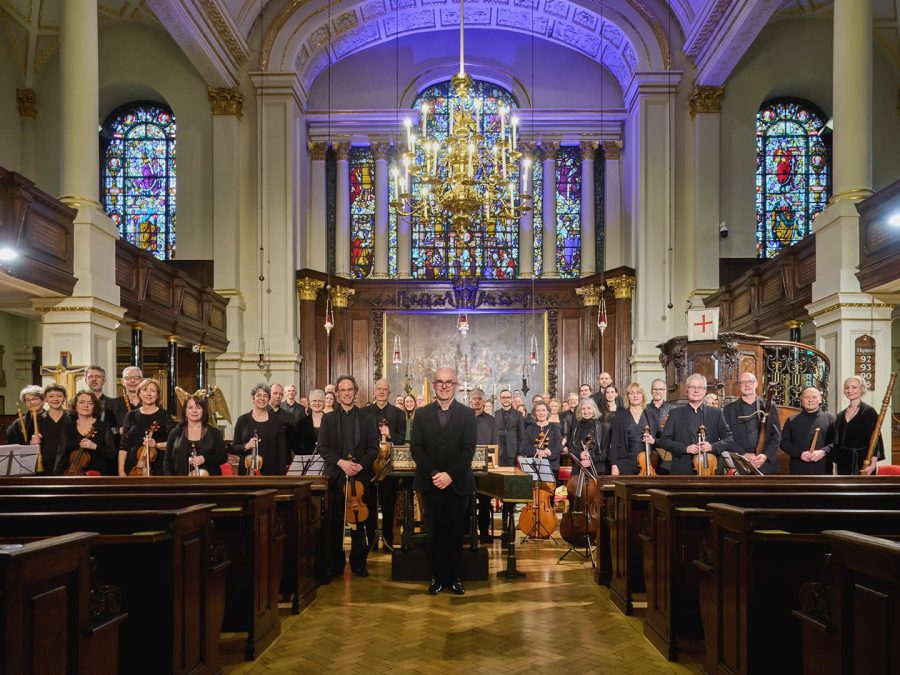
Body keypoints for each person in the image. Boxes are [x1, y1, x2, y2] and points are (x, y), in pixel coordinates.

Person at [411, 367, 476, 595]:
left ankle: (454, 576)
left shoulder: (468, 414)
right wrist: (434, 474)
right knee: (435, 533)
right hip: (430, 484)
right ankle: (437, 577)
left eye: (449, 382)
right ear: (434, 385)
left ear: (456, 385)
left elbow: (468, 450)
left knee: (456, 533)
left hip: (458, 484)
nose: (444, 386)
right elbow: (416, 448)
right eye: (440, 382)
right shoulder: (422, 413)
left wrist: (450, 475)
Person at [317, 375, 379, 578]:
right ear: (337, 393)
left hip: (360, 477)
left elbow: (373, 448)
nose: (346, 393)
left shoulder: (367, 417)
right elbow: (323, 448)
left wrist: (359, 466)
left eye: (349, 389)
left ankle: (359, 563)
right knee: (335, 523)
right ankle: (335, 564)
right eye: (342, 390)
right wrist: (342, 463)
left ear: (355, 392)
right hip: (336, 476)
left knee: (360, 523)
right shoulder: (328, 418)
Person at [656, 373, 734, 475]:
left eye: (700, 387)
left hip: (711, 468)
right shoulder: (675, 414)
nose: (696, 390)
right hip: (683, 470)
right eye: (692, 387)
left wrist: (712, 447)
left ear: (705, 391)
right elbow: (664, 441)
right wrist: (685, 448)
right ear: (686, 391)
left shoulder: (716, 413)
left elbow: (729, 439)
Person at [363, 378, 407, 550]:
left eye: (385, 389)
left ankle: (388, 540)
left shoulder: (398, 413)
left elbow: (402, 439)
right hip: (369, 465)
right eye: (378, 389)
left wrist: (390, 435)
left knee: (388, 505)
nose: (381, 392)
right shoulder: (364, 412)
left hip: (389, 466)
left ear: (389, 392)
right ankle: (371, 542)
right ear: (374, 391)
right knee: (370, 505)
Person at [722, 372, 781, 475]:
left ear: (756, 384)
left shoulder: (769, 406)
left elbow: (776, 435)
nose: (747, 384)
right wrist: (744, 455)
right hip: (740, 465)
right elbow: (727, 437)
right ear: (739, 386)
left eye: (750, 381)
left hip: (765, 464)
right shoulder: (728, 409)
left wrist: (765, 455)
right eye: (743, 382)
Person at [119, 378, 175, 476]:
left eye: (153, 391)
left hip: (157, 467)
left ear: (157, 395)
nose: (148, 394)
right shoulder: (131, 415)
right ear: (139, 393)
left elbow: (173, 443)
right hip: (133, 467)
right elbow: (124, 445)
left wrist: (156, 445)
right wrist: (121, 470)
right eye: (145, 390)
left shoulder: (165, 415)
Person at [232, 384, 289, 476]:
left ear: (269, 399)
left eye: (265, 396)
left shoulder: (277, 421)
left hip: (272, 471)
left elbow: (282, 451)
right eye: (258, 395)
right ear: (253, 398)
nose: (262, 399)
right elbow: (234, 447)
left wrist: (281, 475)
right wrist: (246, 446)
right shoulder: (242, 420)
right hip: (248, 470)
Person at [164, 394, 228, 476]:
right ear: (185, 412)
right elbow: (167, 461)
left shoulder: (214, 433)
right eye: (190, 408)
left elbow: (223, 457)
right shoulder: (175, 433)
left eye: (198, 408)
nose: (194, 411)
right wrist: (170, 482)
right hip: (179, 483)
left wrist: (204, 459)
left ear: (203, 411)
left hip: (209, 483)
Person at [834, 376, 882, 475]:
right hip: (843, 463)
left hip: (864, 462)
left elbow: (876, 442)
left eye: (854, 387)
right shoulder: (840, 415)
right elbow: (837, 443)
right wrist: (835, 468)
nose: (850, 390)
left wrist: (872, 466)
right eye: (847, 387)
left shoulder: (869, 412)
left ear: (862, 389)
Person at [781, 387, 835, 475]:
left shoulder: (830, 419)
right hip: (798, 470)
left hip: (823, 470)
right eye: (807, 397)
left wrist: (823, 451)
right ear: (802, 401)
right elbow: (784, 443)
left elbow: (835, 442)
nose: (810, 400)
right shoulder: (792, 420)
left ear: (820, 400)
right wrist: (800, 454)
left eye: (814, 397)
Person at [61, 389, 116, 476]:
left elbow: (112, 453)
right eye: (82, 402)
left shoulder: (103, 427)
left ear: (94, 407)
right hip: (72, 475)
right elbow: (62, 456)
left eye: (90, 403)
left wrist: (95, 446)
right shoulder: (68, 428)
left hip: (98, 476)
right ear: (75, 405)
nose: (86, 405)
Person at [471, 388, 499, 544]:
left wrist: (493, 464)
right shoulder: (464, 418)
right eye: (474, 398)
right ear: (470, 400)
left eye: (479, 398)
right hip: (466, 468)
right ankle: (468, 531)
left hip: (485, 467)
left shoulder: (491, 420)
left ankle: (484, 531)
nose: (476, 401)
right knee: (467, 501)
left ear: (483, 401)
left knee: (484, 501)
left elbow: (495, 443)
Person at [609, 383, 657, 476]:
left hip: (648, 461)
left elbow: (660, 438)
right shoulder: (618, 417)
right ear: (627, 396)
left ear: (643, 395)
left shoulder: (651, 415)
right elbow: (613, 443)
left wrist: (653, 440)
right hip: (625, 462)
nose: (635, 396)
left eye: (638, 392)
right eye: (631, 393)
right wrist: (614, 465)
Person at [570, 397, 608, 476]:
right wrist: (580, 455)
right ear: (580, 411)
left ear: (594, 410)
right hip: (578, 468)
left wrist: (591, 460)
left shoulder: (602, 427)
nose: (586, 411)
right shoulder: (575, 428)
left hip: (596, 469)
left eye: (589, 408)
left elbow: (605, 452)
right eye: (583, 409)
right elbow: (571, 449)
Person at [523, 400, 562, 472]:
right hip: (533, 465)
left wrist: (550, 453)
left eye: (543, 410)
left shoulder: (555, 428)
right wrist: (536, 451)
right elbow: (525, 446)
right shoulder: (530, 429)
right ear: (535, 413)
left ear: (548, 412)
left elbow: (558, 446)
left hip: (551, 465)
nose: (541, 413)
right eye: (538, 410)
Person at [106, 366, 143, 436]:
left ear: (142, 381)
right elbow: (105, 429)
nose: (132, 381)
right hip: (119, 444)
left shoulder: (149, 403)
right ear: (123, 382)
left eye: (137, 378)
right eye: (128, 378)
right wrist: (118, 430)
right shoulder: (112, 404)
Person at [84, 365, 118, 438]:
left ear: (104, 380)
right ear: (85, 380)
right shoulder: (79, 404)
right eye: (90, 377)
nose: (94, 379)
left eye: (98, 377)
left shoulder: (113, 403)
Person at [496, 389, 526, 467]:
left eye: (508, 397)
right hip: (499, 452)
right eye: (503, 397)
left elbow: (521, 435)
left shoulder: (518, 415)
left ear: (512, 399)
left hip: (513, 452)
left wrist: (520, 453)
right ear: (500, 399)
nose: (506, 399)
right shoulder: (495, 414)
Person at [297, 389, 326, 454]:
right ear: (309, 403)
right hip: (307, 460)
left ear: (324, 403)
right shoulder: (302, 422)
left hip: (328, 460)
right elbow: (298, 444)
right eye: (314, 401)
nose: (317, 403)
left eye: (320, 401)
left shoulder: (331, 420)